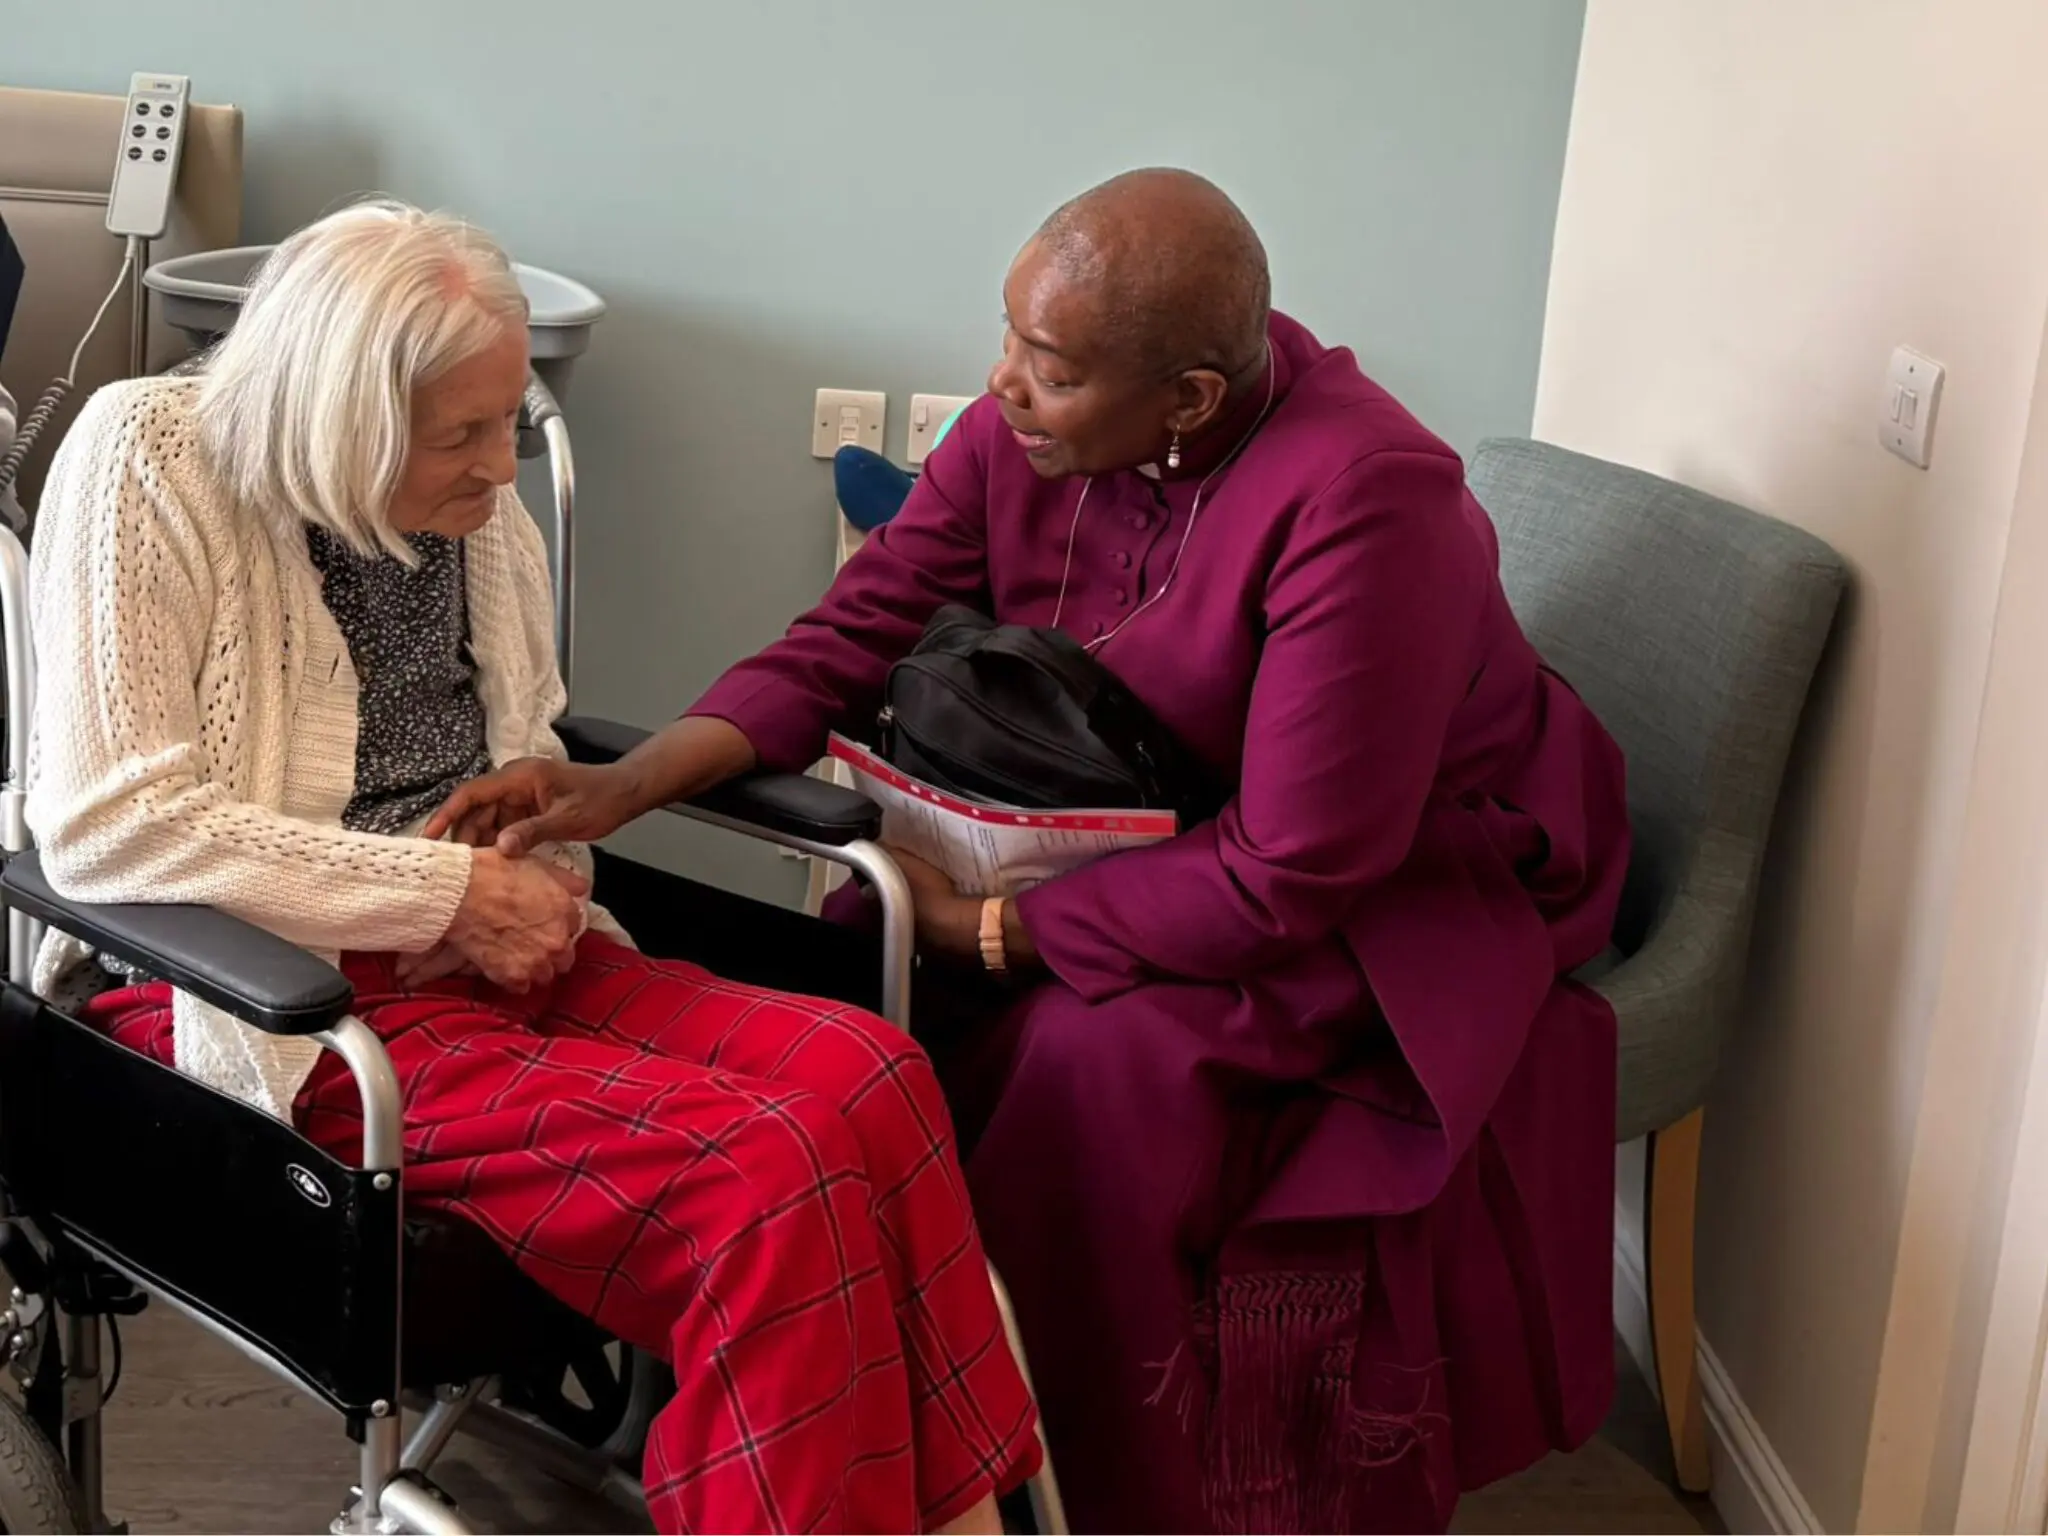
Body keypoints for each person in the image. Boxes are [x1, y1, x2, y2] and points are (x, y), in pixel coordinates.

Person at [432, 169, 1632, 1533]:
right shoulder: (1030, 434)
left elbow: (1297, 866)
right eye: (1006, 336)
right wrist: (625, 783)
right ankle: (859, 1412)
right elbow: (854, 632)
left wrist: (987, 932)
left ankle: (1065, 1480)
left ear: (1183, 399)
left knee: (1093, 1059)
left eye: (1046, 367)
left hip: (1402, 871)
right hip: (1144, 831)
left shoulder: (1367, 498)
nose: (1000, 384)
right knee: (849, 977)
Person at [25, 199, 1040, 1535]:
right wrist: (444, 896)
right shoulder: (149, 456)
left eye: (510, 421)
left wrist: (535, 861)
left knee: (876, 1078)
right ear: (339, 418)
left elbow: (524, 745)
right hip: (270, 1002)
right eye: (461, 434)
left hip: (493, 952)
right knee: (763, 1171)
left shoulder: (475, 509)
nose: (501, 471)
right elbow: (109, 822)